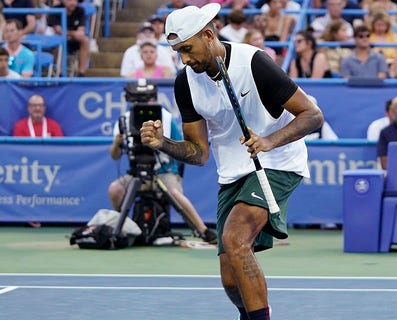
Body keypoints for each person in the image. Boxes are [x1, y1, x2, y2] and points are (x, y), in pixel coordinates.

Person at [140, 4, 324, 319]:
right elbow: (199, 153)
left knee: (235, 240)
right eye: (177, 52)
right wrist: (163, 144)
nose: (184, 59)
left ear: (208, 35)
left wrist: (269, 141)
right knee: (230, 277)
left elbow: (313, 115)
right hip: (233, 172)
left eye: (187, 49)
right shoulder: (186, 83)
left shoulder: (255, 63)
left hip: (277, 161)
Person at [108, 103, 217, 244]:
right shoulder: (124, 120)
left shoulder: (166, 118)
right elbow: (115, 156)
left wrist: (174, 169)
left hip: (165, 171)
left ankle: (204, 231)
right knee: (114, 189)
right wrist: (116, 144)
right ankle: (125, 228)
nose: (145, 102)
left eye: (148, 98)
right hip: (137, 173)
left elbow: (182, 146)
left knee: (173, 192)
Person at [47, 0, 90, 76]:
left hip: (74, 40)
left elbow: (81, 31)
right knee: (58, 42)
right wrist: (73, 33)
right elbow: (58, 30)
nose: (73, 3)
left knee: (85, 40)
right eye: (70, 0)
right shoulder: (55, 10)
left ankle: (81, 73)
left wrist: (71, 34)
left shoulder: (80, 10)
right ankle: (59, 73)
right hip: (59, 40)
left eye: (75, 0)